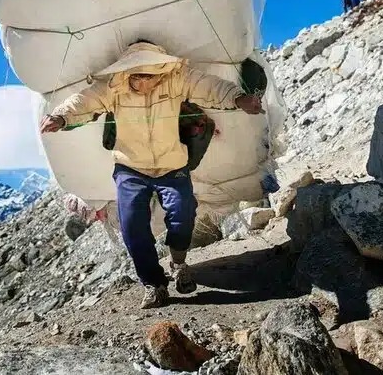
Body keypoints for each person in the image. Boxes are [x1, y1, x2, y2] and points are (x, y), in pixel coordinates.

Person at [40, 41, 264, 308]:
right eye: (137, 76)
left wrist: (239, 99)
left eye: (149, 76)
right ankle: (153, 284)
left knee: (182, 216)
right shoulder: (113, 88)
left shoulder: (177, 80)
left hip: (173, 165)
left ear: (160, 71)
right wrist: (61, 117)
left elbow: (211, 88)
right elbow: (84, 102)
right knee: (132, 225)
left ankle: (178, 263)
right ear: (127, 73)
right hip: (130, 168)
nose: (143, 82)